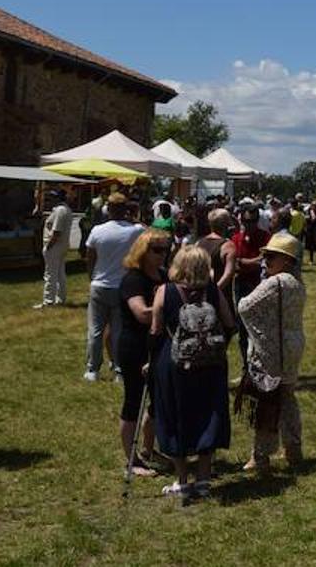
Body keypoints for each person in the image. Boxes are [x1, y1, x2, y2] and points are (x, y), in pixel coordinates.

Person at [149, 245, 235, 501]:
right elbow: (230, 324)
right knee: (208, 414)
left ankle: (182, 479)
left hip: (174, 364)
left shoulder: (165, 291)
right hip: (210, 365)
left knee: (174, 415)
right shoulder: (213, 290)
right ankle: (204, 479)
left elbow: (155, 330)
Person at [239, 234, 306, 473]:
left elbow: (244, 306)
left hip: (272, 350)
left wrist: (260, 331)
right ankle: (293, 449)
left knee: (267, 403)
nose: (265, 261)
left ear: (286, 260)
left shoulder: (274, 283)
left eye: (271, 257)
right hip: (292, 345)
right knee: (287, 398)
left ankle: (261, 456)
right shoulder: (297, 283)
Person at [117, 228, 169, 477]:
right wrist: (164, 302)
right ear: (143, 251)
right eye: (156, 250)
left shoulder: (164, 275)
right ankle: (132, 459)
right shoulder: (133, 279)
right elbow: (141, 314)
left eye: (165, 250)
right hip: (134, 347)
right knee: (134, 401)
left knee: (159, 399)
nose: (162, 254)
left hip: (159, 346)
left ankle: (149, 449)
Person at [83, 193, 144, 382]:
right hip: (122, 286)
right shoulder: (135, 230)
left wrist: (91, 277)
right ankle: (119, 370)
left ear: (107, 209)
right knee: (119, 330)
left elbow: (89, 258)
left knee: (95, 330)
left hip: (99, 284)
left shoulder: (97, 231)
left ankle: (93, 369)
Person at [225, 204, 270, 368]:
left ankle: (261, 366)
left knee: (260, 328)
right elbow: (234, 264)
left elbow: (264, 261)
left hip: (259, 285)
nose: (248, 225)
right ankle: (246, 367)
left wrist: (244, 262)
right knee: (243, 328)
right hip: (241, 285)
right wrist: (251, 262)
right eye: (245, 221)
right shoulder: (236, 238)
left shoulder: (266, 238)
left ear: (257, 221)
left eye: (252, 221)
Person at [34, 189, 75, 309]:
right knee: (59, 273)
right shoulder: (64, 209)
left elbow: (56, 231)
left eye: (52, 198)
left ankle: (48, 300)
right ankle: (60, 298)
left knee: (50, 274)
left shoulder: (60, 211)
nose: (49, 200)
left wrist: (48, 246)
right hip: (61, 245)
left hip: (54, 246)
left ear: (58, 198)